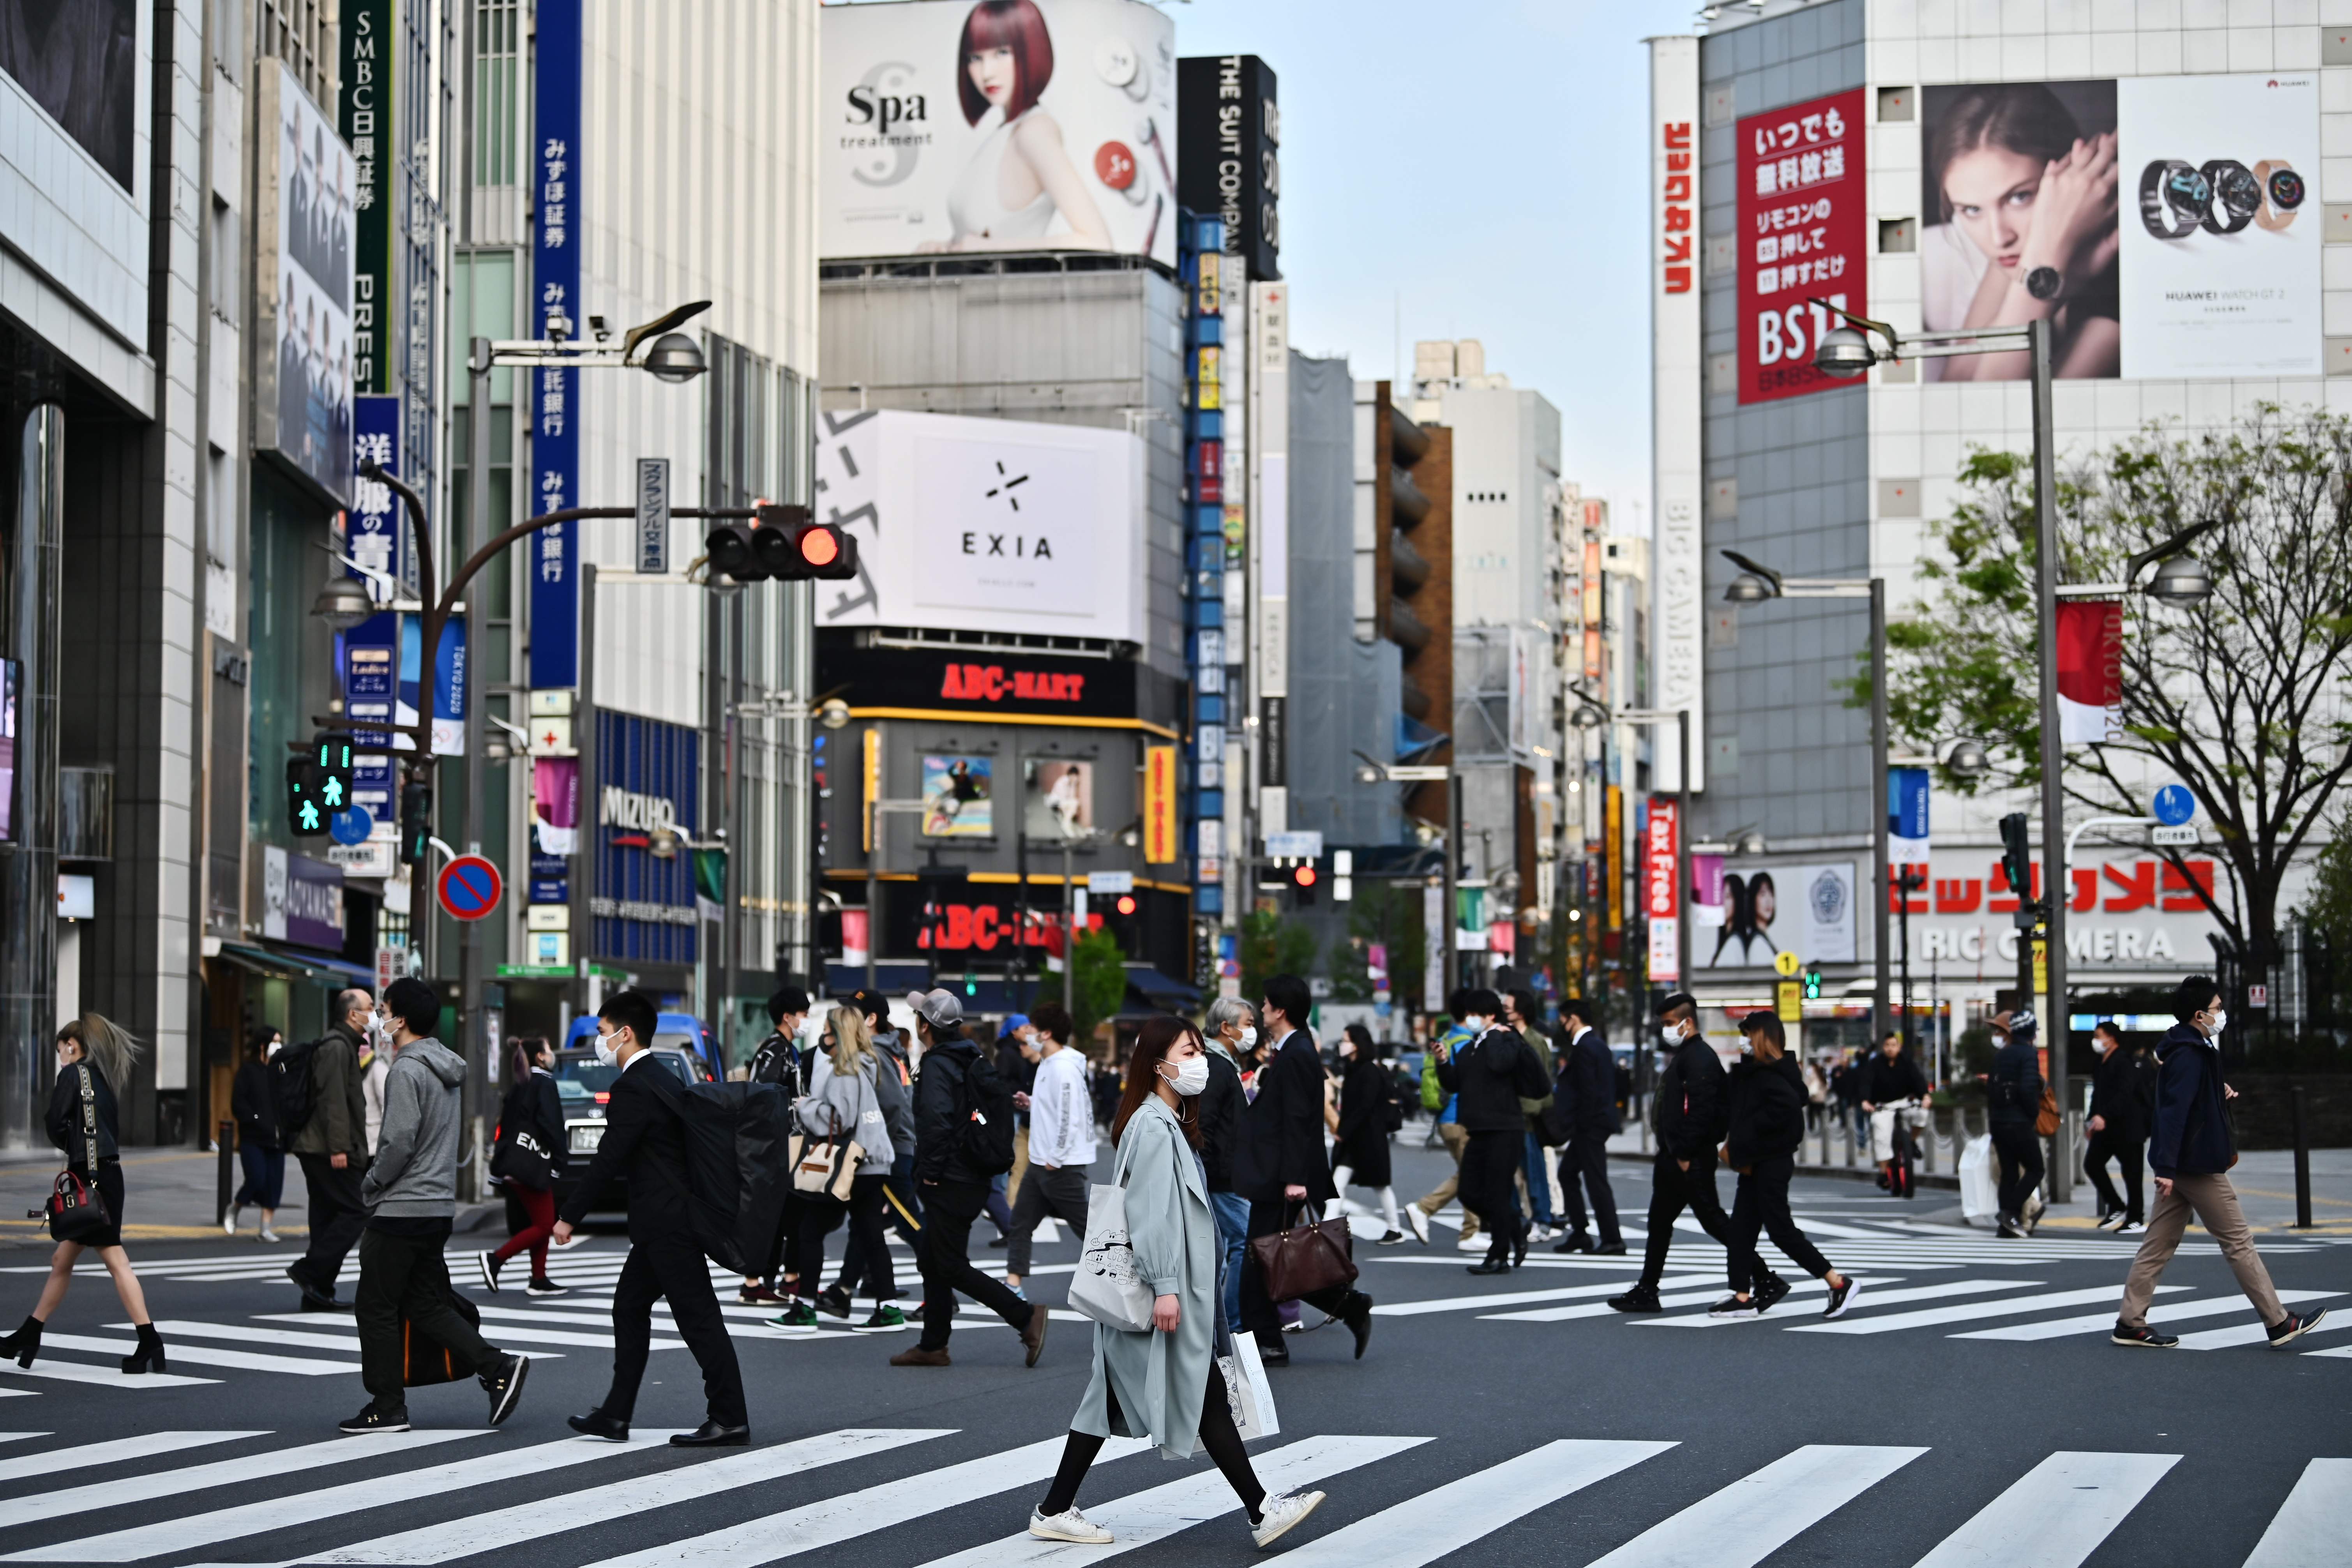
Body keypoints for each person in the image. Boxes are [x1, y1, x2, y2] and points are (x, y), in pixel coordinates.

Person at [1025, 1018, 1326, 1551]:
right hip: (1164, 1292)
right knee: (1201, 1394)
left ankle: (1054, 1507)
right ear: (1159, 1064)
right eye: (1189, 1051)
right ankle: (1261, 1509)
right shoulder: (1153, 1126)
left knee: (1118, 1399)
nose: (1199, 1061)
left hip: (1167, 1291)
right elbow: (1149, 1216)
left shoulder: (1163, 1122)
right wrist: (1166, 1287)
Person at [554, 989, 748, 1445]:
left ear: (625, 1033)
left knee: (699, 1318)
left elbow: (608, 1159)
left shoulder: (632, 1087)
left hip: (667, 1223)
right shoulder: (663, 1077)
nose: (599, 1042)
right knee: (630, 1306)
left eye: (602, 1033)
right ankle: (616, 1414)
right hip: (667, 1220)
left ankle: (730, 1416)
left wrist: (569, 1216)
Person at [343, 977, 529, 1434]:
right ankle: (497, 1367)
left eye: (384, 1010)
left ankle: (387, 1406)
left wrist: (371, 1183)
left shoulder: (407, 1069)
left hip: (402, 1206)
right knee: (425, 1304)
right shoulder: (446, 1067)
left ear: (401, 1020)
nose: (379, 1018)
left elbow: (398, 1142)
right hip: (436, 1207)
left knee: (375, 1305)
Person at [2113, 977, 2327, 1350]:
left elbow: (2187, 1104)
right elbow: (2173, 1113)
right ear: (2200, 1015)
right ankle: (2278, 1322)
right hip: (2194, 1166)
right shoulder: (2191, 1054)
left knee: (2158, 1245)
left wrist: (2218, 1093)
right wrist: (2165, 1168)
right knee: (2239, 1242)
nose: (2222, 1014)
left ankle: (2130, 1322)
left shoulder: (2189, 1047)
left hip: (2182, 1164)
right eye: (2217, 1009)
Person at [891, 990, 1049, 1368]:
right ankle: (933, 1344)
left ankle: (1025, 1316)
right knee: (932, 1257)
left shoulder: (937, 1065)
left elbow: (937, 1121)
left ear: (925, 1026)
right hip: (974, 1172)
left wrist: (929, 1173)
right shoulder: (972, 1056)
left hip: (950, 1178)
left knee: (949, 1264)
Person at [0, 1017, 168, 1374]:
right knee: (63, 1260)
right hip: (107, 1176)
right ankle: (30, 1333)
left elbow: (55, 1122)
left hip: (88, 1180)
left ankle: (149, 1339)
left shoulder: (74, 1075)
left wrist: (69, 1144)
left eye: (61, 1049)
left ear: (71, 1045)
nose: (60, 1056)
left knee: (115, 1261)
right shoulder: (102, 1080)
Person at [1921, 83, 2121, 381]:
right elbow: (1956, 383)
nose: (1999, 237)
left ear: (2068, 180)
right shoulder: (2012, 256)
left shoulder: (2115, 295)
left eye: (2020, 197)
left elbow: (1990, 414)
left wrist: (2046, 254)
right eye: (1972, 210)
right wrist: (2055, 278)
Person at [1609, 993, 1783, 1314]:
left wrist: (1685, 1153)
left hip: (1689, 1157)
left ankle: (1765, 1277)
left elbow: (1703, 1111)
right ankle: (1648, 1289)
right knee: (1661, 1221)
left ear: (1687, 1023)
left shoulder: (1699, 1058)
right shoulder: (1688, 1055)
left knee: (1714, 1221)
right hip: (1677, 1154)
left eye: (1669, 1024)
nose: (1666, 1030)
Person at [1233, 974, 1374, 1366]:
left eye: (1265, 1004)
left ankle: (1269, 1341)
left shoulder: (1296, 1053)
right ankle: (1345, 1306)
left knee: (1260, 1256)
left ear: (1280, 1010)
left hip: (1284, 1176)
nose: (1261, 1010)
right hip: (1279, 1173)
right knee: (1272, 1255)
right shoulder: (1292, 1048)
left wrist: (1295, 1178)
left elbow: (1299, 1120)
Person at [922, 0, 1114, 255]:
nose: (987, 72)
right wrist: (946, 247)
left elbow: (1096, 240)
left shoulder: (1034, 132)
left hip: (1009, 290)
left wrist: (990, 248)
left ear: (1031, 50)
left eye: (1002, 53)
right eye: (975, 58)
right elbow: (986, 232)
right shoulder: (1003, 134)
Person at [1712, 1013, 1862, 1319]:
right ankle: (1742, 1296)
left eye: (1747, 1034)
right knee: (1741, 1229)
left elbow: (1788, 1123)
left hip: (1771, 1163)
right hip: (1755, 1163)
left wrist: (1746, 1140)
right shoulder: (1756, 1072)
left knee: (1781, 1230)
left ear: (1762, 1038)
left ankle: (1839, 1282)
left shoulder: (1772, 1076)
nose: (1742, 1040)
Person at [776, 1005, 910, 1332]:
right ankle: (889, 1308)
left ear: (837, 1034)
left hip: (850, 1164)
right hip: (872, 1160)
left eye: (827, 1029)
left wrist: (805, 1106)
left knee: (810, 1231)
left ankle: (805, 1308)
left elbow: (839, 1119)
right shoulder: (868, 1063)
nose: (822, 1035)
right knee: (871, 1235)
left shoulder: (843, 1070)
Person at [1436, 989, 1552, 1276]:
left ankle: (1498, 1255)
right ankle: (1516, 1225)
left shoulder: (1506, 1039)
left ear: (1490, 1016)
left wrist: (1499, 1035)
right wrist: (1442, 1062)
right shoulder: (1470, 1047)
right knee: (1469, 1192)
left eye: (1476, 1014)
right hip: (1478, 1130)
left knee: (1499, 1193)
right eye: (1468, 1014)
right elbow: (1454, 1083)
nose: (1470, 1019)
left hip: (1506, 1128)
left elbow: (1501, 1064)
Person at [833, 988, 923, 1310]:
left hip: (890, 1151)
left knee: (910, 1224)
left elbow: (894, 1105)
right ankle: (842, 1289)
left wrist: (875, 1139)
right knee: (865, 1220)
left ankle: (946, 1284)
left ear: (871, 1019)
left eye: (855, 1013)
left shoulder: (878, 1053)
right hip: (891, 1147)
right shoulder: (887, 1049)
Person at [1003, 1003, 1097, 1297]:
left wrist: (1055, 1159)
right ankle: (1013, 1285)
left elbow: (1071, 1117)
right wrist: (1032, 1102)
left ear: (1045, 1033)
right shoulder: (1048, 1064)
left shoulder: (1063, 1068)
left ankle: (1131, 1279)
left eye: (1031, 1028)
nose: (1026, 1034)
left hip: (1060, 1165)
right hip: (1042, 1161)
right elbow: (1058, 1108)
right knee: (1020, 1222)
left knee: (1090, 1231)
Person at [289, 987, 373, 1311]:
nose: (374, 1013)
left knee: (326, 1216)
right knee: (357, 1210)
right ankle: (309, 1271)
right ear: (353, 1014)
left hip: (322, 1147)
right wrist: (340, 1148)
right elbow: (333, 1102)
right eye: (369, 1008)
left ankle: (317, 1290)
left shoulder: (345, 1045)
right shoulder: (338, 1047)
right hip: (328, 1149)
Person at [480, 1035, 567, 1297]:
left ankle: (539, 1278)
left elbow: (504, 1126)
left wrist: (498, 1164)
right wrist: (560, 1161)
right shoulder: (545, 1084)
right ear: (540, 1056)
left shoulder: (519, 1085)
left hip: (514, 1163)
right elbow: (552, 1126)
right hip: (534, 1164)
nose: (551, 1054)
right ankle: (496, 1259)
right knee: (544, 1224)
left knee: (541, 1220)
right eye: (549, 1050)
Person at [741, 985, 811, 1305]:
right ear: (788, 1017)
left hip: (780, 1144)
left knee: (782, 1213)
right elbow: (765, 1096)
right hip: (775, 1145)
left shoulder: (784, 1048)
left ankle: (769, 1279)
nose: (805, 1020)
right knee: (781, 1212)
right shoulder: (777, 1050)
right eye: (803, 1014)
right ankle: (761, 1280)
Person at [1404, 992, 1482, 1250]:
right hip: (1462, 1117)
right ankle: (1428, 1210)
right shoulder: (1467, 1044)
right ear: (1471, 1015)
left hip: (1445, 1117)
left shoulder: (1447, 1039)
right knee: (1471, 1174)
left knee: (1470, 1172)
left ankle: (1472, 1230)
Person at [1550, 998, 1624, 1255]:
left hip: (1590, 1125)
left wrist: (1575, 1124)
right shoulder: (1594, 1045)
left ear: (1574, 1019)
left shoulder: (1586, 1047)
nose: (1562, 1026)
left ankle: (1612, 1239)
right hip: (1593, 1124)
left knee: (1595, 1181)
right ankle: (1581, 1233)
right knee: (1568, 1174)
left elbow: (1588, 1091)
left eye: (1563, 1021)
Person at [1199, 997, 1253, 1330]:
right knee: (1245, 1243)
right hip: (1219, 1177)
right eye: (1247, 1024)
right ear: (1226, 1027)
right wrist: (1201, 1178)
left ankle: (1217, 1321)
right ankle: (1231, 1323)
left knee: (1221, 1250)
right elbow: (1203, 1125)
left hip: (1222, 1174)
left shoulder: (1221, 1064)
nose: (1252, 1031)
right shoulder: (1216, 1067)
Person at [1330, 1023, 1405, 1245]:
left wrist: (1342, 1131)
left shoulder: (1369, 1071)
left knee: (1380, 1184)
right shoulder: (1353, 1069)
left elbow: (1364, 1106)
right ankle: (1329, 1227)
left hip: (1368, 1138)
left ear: (1357, 1045)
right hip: (1357, 1139)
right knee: (1338, 1183)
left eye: (1346, 1040)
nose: (1342, 1045)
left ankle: (1394, 1229)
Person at [1502, 992, 1560, 1243]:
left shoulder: (1535, 1040)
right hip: (1512, 1116)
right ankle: (1524, 1220)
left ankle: (1542, 1220)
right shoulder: (1509, 1036)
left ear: (1521, 1011)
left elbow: (1541, 1080)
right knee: (1511, 1173)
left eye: (1508, 1006)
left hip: (1528, 1116)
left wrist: (1528, 1107)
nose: (1504, 1010)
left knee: (1534, 1172)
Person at [1984, 1009, 2047, 1238]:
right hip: (2019, 1121)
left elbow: (1991, 1089)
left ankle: (2006, 1225)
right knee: (2036, 1168)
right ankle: (2010, 1213)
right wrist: (2032, 1114)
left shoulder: (2002, 1055)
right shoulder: (2028, 1054)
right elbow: (2029, 1089)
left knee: (2009, 1173)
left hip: (1998, 1122)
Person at [2085, 1021, 2151, 1234]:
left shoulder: (2123, 1062)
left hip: (2128, 1127)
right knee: (2092, 1164)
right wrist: (2092, 1120)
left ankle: (2136, 1218)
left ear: (2111, 1038)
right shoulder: (2100, 1062)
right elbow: (2098, 1094)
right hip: (2107, 1127)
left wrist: (2104, 1115)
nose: (2095, 1040)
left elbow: (2125, 1093)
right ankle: (2116, 1205)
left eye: (2098, 1036)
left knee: (2132, 1174)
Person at [228, 1026, 286, 1241]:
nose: (279, 1046)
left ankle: (265, 1229)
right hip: (253, 1137)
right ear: (262, 1045)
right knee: (256, 1179)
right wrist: (255, 1120)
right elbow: (238, 1104)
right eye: (275, 1041)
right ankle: (236, 1206)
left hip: (277, 1139)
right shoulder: (248, 1071)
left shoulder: (280, 1070)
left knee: (274, 1184)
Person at [987, 1011, 1038, 1244]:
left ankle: (1008, 1219)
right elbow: (1004, 1082)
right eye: (1025, 1027)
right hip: (1016, 1112)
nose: (1029, 1031)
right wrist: (1021, 1091)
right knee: (1014, 1168)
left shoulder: (1014, 1050)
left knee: (1016, 1170)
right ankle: (1008, 1218)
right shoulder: (1010, 1053)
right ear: (1014, 1031)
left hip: (1020, 1111)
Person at [1860, 1031, 1931, 1199]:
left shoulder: (1907, 1063)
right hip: (1883, 1106)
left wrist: (1925, 1096)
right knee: (1881, 1133)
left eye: (1894, 1046)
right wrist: (1865, 1101)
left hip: (1905, 1102)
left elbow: (1918, 1080)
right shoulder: (1875, 1064)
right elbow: (1866, 1083)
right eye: (1887, 1046)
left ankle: (1912, 1142)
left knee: (1922, 1113)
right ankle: (1883, 1172)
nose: (1891, 1049)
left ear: (1899, 1047)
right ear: (1883, 1047)